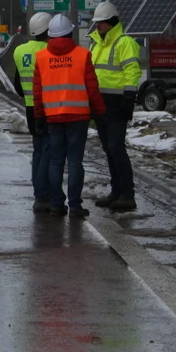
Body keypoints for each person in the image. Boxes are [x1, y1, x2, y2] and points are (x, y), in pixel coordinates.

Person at [33, 14, 106, 217]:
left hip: (53, 117)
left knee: (56, 161)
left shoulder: (42, 58)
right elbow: (92, 88)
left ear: (50, 35)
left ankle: (57, 203)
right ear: (70, 33)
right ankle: (74, 205)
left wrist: (39, 115)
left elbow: (37, 91)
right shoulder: (82, 55)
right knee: (75, 162)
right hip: (78, 117)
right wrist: (100, 112)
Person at [89, 1, 142, 211]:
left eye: (100, 23)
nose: (97, 26)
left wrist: (129, 98)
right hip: (100, 102)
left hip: (118, 103)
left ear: (110, 22)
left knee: (116, 148)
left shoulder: (123, 42)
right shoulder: (95, 43)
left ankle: (127, 194)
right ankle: (117, 191)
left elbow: (132, 71)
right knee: (108, 149)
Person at [12, 12, 52, 212]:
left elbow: (17, 85)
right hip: (48, 107)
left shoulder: (20, 51)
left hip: (29, 106)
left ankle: (39, 192)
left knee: (38, 150)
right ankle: (45, 195)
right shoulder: (50, 51)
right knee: (48, 151)